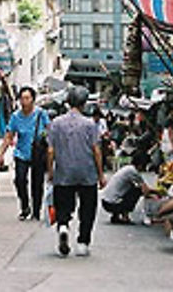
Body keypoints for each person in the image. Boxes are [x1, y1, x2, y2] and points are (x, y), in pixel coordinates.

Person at [47, 85, 106, 257]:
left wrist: (50, 171)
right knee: (88, 207)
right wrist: (101, 174)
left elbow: (50, 151)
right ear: (84, 104)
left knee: (63, 205)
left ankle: (63, 226)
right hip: (86, 173)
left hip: (63, 172)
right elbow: (96, 150)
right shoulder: (90, 124)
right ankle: (83, 242)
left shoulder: (56, 123)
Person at [0, 86, 50, 220]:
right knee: (20, 180)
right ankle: (25, 206)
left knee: (37, 183)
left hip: (38, 153)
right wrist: (1, 153)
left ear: (33, 99)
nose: (24, 101)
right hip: (21, 153)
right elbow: (9, 135)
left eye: (27, 98)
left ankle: (36, 211)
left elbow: (50, 131)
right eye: (22, 98)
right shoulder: (16, 116)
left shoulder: (41, 114)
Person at [101, 150, 160, 224]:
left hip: (106, 201)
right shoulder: (133, 172)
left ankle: (116, 216)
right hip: (111, 203)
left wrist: (155, 192)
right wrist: (155, 194)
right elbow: (145, 190)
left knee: (132, 187)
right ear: (141, 165)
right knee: (136, 191)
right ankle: (125, 216)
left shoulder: (128, 168)